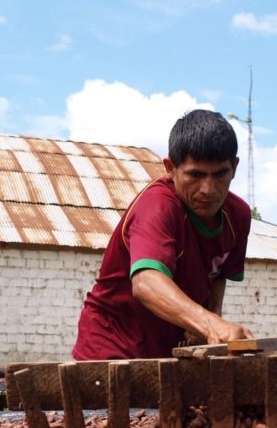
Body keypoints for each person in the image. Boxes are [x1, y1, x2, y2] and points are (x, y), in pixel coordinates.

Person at [72, 109, 254, 360]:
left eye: (220, 174)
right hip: (111, 351)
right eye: (195, 175)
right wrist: (210, 324)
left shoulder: (238, 215)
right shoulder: (157, 206)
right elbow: (147, 282)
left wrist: (211, 318)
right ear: (170, 168)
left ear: (234, 167)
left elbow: (218, 274)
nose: (208, 189)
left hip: (168, 354)